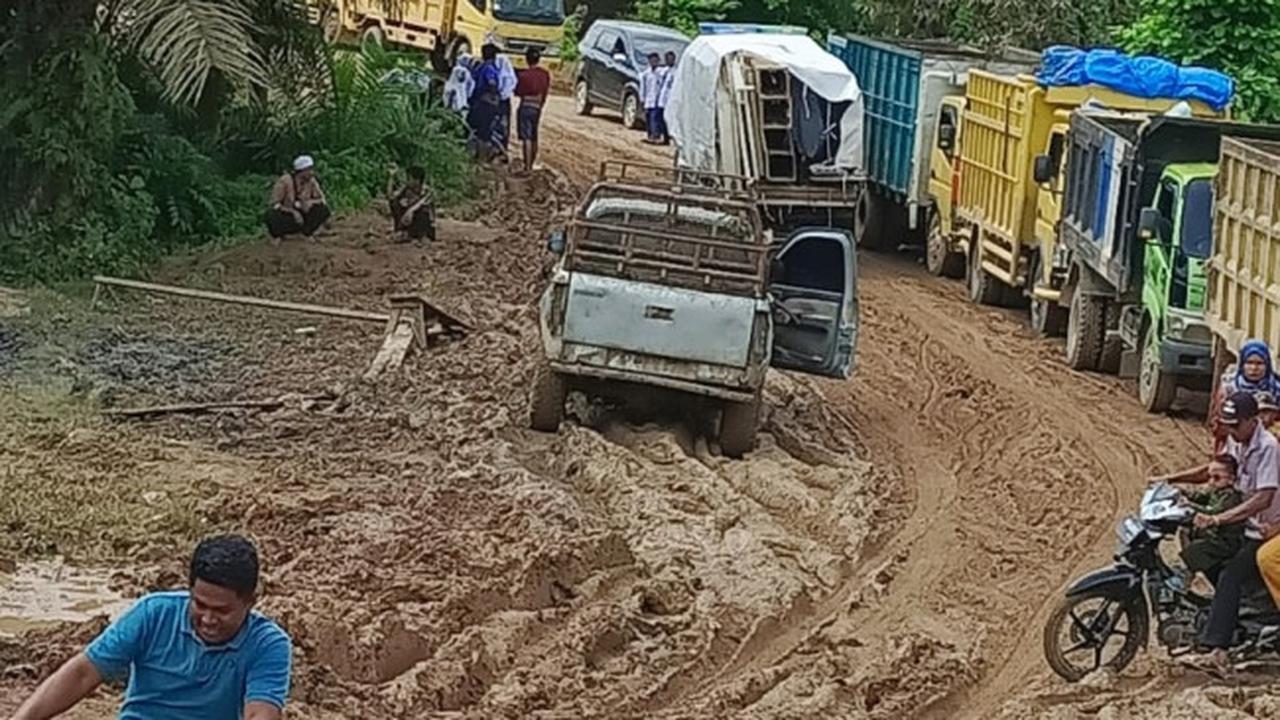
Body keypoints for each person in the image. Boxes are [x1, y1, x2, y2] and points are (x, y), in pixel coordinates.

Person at [10, 535, 291, 720]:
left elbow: (261, 713)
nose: (207, 618)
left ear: (251, 602)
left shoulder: (268, 644)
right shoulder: (154, 614)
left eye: (221, 611)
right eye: (200, 604)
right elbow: (83, 673)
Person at [1156, 392, 1280, 674]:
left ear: (1252, 421)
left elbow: (1264, 498)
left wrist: (1217, 518)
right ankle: (1224, 619)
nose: (1231, 431)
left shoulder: (1269, 448)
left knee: (1231, 575)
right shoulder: (1239, 441)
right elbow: (1215, 468)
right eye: (1227, 425)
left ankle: (1218, 650)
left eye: (1235, 425)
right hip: (1245, 525)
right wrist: (1171, 479)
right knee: (1208, 554)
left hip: (1265, 530)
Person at [1179, 454, 1245, 584]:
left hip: (1227, 539)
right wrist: (1184, 492)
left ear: (1231, 479)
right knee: (1186, 530)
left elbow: (1215, 512)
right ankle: (1194, 571)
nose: (1211, 481)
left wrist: (1190, 505)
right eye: (1209, 477)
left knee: (1195, 549)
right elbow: (1201, 496)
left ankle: (1197, 575)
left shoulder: (1231, 497)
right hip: (1215, 533)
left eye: (1217, 478)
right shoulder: (1216, 490)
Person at [1212, 340, 1280, 451]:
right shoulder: (1229, 387)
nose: (1254, 368)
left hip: (1268, 446)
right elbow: (1218, 422)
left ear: (1267, 364)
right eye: (1249, 363)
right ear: (1241, 364)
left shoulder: (1276, 390)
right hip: (1233, 444)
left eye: (1259, 363)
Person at [265, 155, 330, 240]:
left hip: (304, 212)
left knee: (322, 210)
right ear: (301, 171)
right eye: (309, 170)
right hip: (288, 213)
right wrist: (292, 211)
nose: (311, 172)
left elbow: (322, 199)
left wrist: (310, 203)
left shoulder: (312, 181)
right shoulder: (285, 181)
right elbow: (274, 204)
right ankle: (281, 235)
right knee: (272, 215)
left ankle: (306, 233)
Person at [514, 47, 551, 174]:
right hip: (537, 107)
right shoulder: (544, 74)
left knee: (526, 137)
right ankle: (532, 163)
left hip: (526, 105)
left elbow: (518, 91)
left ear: (527, 59)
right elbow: (545, 92)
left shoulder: (523, 75)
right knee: (534, 136)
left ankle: (527, 166)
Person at [467, 44, 502, 162]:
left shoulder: (480, 67)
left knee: (477, 129)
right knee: (484, 131)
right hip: (486, 102)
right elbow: (491, 83)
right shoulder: (490, 68)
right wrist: (495, 94)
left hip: (478, 100)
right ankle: (482, 158)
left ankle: (477, 156)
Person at [388, 165, 436, 243]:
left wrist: (410, 211)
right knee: (395, 203)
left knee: (423, 210)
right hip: (409, 221)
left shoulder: (427, 191)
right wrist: (391, 177)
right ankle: (401, 231)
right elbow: (391, 197)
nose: (407, 180)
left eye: (409, 178)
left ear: (416, 180)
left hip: (425, 225)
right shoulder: (406, 189)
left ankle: (423, 236)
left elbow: (422, 202)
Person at [494, 50, 519, 159]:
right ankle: (503, 149)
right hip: (505, 101)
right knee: (504, 125)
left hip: (497, 101)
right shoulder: (509, 74)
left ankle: (498, 149)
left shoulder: (498, 73)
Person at [640, 53, 664, 145]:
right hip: (648, 100)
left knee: (655, 118)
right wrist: (642, 99)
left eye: (655, 60)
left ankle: (656, 135)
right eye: (651, 60)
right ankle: (650, 135)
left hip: (658, 101)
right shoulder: (646, 74)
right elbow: (643, 88)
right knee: (648, 118)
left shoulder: (661, 73)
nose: (653, 62)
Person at [658, 50, 678, 145]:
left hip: (670, 99)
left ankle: (668, 138)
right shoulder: (663, 71)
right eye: (667, 59)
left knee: (668, 119)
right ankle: (664, 136)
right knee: (662, 119)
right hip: (662, 98)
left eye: (671, 59)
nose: (669, 61)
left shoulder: (676, 72)